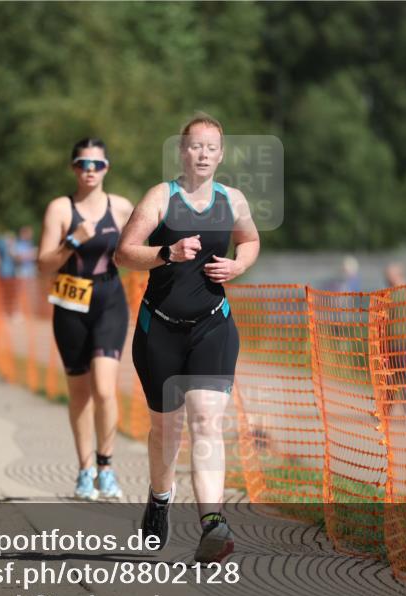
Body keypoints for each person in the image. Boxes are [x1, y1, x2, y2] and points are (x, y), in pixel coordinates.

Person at [116, 114, 260, 563]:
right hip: (159, 329)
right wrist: (166, 253)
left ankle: (212, 523)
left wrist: (238, 265)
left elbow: (251, 241)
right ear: (182, 151)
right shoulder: (161, 197)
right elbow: (124, 252)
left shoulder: (232, 199)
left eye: (211, 147)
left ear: (220, 154)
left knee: (205, 419)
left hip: (213, 325)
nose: (202, 154)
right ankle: (160, 499)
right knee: (166, 428)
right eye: (194, 146)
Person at [37, 138, 134, 501]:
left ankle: (106, 466)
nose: (89, 170)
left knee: (106, 389)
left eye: (97, 164)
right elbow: (44, 263)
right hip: (70, 300)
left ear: (107, 167)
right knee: (79, 392)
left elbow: (147, 241)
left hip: (110, 298)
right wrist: (72, 242)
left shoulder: (122, 208)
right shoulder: (60, 209)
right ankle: (84, 470)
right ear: (73, 168)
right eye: (82, 163)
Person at [382, 262, 406, 427]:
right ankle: (404, 412)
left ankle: (401, 411)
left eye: (388, 276)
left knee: (393, 379)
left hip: (400, 343)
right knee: (403, 378)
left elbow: (383, 318)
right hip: (405, 342)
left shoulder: (390, 296)